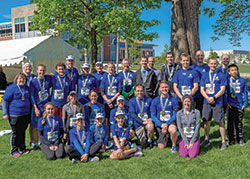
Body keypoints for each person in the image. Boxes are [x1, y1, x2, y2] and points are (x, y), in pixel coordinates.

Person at [200, 58, 227, 150]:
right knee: (206, 121)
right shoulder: (204, 75)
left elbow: (222, 89)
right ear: (208, 64)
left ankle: (223, 141)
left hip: (218, 102)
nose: (213, 65)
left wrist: (214, 97)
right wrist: (207, 98)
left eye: (215, 64)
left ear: (217, 64)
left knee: (220, 122)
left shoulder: (221, 75)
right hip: (206, 102)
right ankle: (207, 139)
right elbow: (201, 89)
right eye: (211, 64)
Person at [2, 73, 31, 157]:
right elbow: (5, 100)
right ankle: (14, 150)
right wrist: (5, 113)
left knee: (22, 132)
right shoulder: (11, 88)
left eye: (23, 79)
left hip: (25, 114)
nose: (22, 80)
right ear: (16, 79)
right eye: (20, 79)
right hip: (14, 114)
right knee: (15, 132)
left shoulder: (26, 88)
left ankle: (22, 148)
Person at [151, 81, 179, 153]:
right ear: (159, 89)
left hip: (169, 123)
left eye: (166, 87)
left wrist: (167, 124)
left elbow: (175, 115)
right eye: (162, 87)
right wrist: (161, 125)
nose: (164, 89)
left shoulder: (173, 100)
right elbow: (153, 115)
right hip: (160, 124)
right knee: (161, 146)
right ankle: (166, 137)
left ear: (169, 88)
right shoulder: (155, 101)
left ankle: (174, 146)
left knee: (173, 129)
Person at [30, 64, 52, 150]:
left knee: (46, 124)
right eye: (40, 70)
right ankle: (35, 143)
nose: (41, 72)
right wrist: (35, 107)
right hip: (38, 106)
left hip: (46, 107)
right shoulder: (33, 82)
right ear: (37, 71)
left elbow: (54, 75)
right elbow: (31, 95)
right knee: (36, 125)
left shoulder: (47, 79)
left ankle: (44, 141)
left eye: (43, 70)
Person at [227, 64, 248, 146]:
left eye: (235, 70)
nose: (234, 71)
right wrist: (227, 102)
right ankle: (231, 139)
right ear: (229, 72)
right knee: (230, 123)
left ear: (238, 71)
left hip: (240, 105)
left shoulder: (243, 81)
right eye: (232, 70)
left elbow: (245, 92)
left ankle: (240, 138)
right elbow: (225, 93)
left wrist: (245, 103)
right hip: (230, 105)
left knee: (239, 122)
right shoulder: (227, 81)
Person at [129, 85, 154, 149]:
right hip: (138, 124)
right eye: (138, 91)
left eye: (141, 91)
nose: (139, 92)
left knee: (150, 126)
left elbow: (152, 111)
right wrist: (142, 122)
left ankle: (149, 141)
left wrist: (151, 118)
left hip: (147, 121)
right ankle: (143, 140)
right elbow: (132, 114)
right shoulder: (132, 101)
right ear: (135, 92)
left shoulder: (149, 100)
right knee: (142, 143)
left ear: (143, 91)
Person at [190, 50, 210, 116]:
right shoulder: (192, 68)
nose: (200, 57)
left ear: (204, 56)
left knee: (204, 114)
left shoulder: (208, 67)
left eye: (201, 55)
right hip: (195, 94)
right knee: (194, 113)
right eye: (198, 55)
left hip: (205, 94)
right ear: (195, 57)